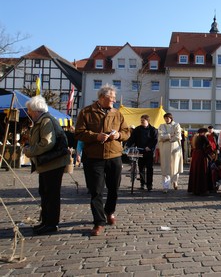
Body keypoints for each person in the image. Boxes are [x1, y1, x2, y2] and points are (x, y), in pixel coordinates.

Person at [75, 84, 130, 236]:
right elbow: (79, 133)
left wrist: (118, 135)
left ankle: (109, 212)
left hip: (114, 156)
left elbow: (126, 132)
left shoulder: (117, 113)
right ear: (101, 98)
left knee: (114, 188)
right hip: (93, 157)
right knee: (96, 191)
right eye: (110, 98)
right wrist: (95, 136)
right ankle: (98, 222)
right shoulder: (86, 112)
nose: (113, 100)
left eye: (114, 98)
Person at [23, 95, 70, 235]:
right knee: (45, 193)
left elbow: (47, 143)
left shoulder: (46, 121)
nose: (29, 113)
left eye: (30, 110)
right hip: (47, 164)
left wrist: (30, 151)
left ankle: (51, 223)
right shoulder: (42, 120)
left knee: (51, 194)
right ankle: (46, 221)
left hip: (52, 163)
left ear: (36, 110)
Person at [125, 114, 158, 191]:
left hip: (149, 152)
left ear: (147, 121)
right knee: (141, 168)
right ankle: (142, 184)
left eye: (143, 120)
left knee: (149, 169)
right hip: (139, 151)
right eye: (141, 120)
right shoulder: (137, 129)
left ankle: (149, 185)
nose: (141, 122)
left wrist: (149, 147)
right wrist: (127, 145)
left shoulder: (153, 130)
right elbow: (132, 138)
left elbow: (155, 140)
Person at [158, 113, 183, 193]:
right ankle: (165, 186)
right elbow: (160, 137)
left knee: (175, 166)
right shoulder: (161, 126)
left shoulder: (176, 125)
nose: (167, 119)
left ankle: (175, 181)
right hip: (165, 149)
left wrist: (167, 138)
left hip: (175, 149)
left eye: (168, 118)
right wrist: (169, 136)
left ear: (171, 118)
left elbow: (178, 136)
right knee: (166, 167)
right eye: (165, 118)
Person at [188, 128, 212, 195]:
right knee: (201, 172)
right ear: (204, 132)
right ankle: (201, 189)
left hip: (195, 155)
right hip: (201, 155)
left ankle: (194, 189)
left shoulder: (195, 137)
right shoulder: (203, 137)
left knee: (195, 171)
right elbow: (209, 146)